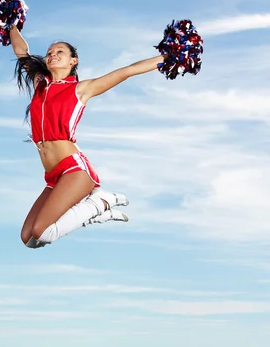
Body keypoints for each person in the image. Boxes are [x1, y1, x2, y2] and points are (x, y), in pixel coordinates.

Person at [9, 23, 168, 249]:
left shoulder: (81, 89)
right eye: (49, 53)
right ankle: (93, 215)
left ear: (73, 61)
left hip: (74, 170)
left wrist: (168, 57)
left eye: (60, 52)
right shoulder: (40, 85)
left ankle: (102, 201)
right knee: (30, 239)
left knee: (41, 231)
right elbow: (21, 52)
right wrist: (11, 25)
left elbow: (127, 70)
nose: (53, 55)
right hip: (53, 175)